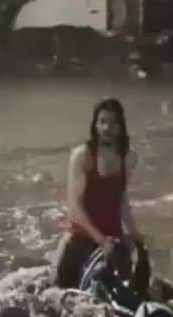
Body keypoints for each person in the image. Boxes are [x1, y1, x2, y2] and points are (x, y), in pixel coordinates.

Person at [54, 97, 143, 289]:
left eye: (112, 123)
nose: (106, 128)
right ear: (94, 125)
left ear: (121, 127)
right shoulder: (82, 156)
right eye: (102, 122)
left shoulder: (129, 158)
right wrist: (100, 240)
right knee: (57, 293)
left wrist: (134, 234)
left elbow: (120, 199)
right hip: (81, 237)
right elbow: (74, 208)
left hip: (113, 239)